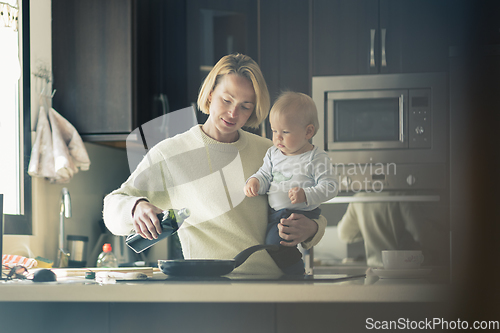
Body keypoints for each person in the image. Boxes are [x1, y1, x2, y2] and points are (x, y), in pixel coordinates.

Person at [103, 54, 327, 275]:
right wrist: (136, 207)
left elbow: (306, 207)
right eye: (227, 100)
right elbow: (113, 207)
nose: (233, 113)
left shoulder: (270, 152)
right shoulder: (171, 154)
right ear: (210, 95)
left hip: (273, 286)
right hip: (210, 290)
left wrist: (312, 229)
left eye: (245, 106)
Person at [244, 92, 338, 274]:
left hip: (300, 214)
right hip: (275, 215)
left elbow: (331, 187)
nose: (278, 138)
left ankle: (297, 275)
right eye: (274, 131)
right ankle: (294, 274)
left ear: (308, 132)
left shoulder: (316, 157)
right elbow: (265, 175)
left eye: (285, 132)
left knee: (276, 244)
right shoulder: (273, 154)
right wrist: (255, 182)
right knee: (274, 244)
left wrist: (306, 194)